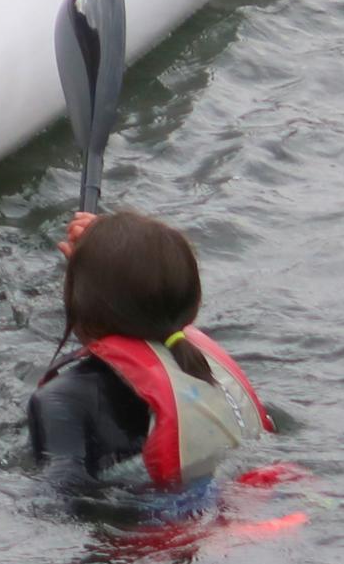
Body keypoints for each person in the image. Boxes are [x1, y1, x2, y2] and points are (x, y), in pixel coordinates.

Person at [26, 210, 278, 509]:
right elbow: (141, 292)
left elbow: (58, 498)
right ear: (192, 306)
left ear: (81, 303)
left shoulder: (63, 399)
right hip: (255, 496)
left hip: (151, 532)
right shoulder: (196, 363)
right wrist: (100, 253)